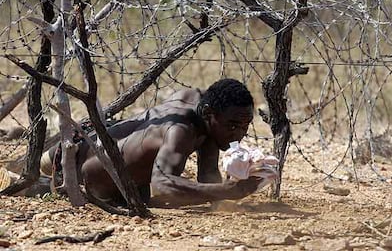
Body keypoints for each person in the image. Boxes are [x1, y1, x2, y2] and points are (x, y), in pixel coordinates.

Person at [40, 78, 263, 207]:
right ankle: (32, 182)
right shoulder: (181, 130)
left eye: (245, 126)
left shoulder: (202, 107)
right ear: (208, 112)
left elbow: (208, 175)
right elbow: (163, 186)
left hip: (91, 148)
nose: (239, 134)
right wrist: (227, 191)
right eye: (233, 126)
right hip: (80, 174)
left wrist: (237, 185)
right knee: (22, 185)